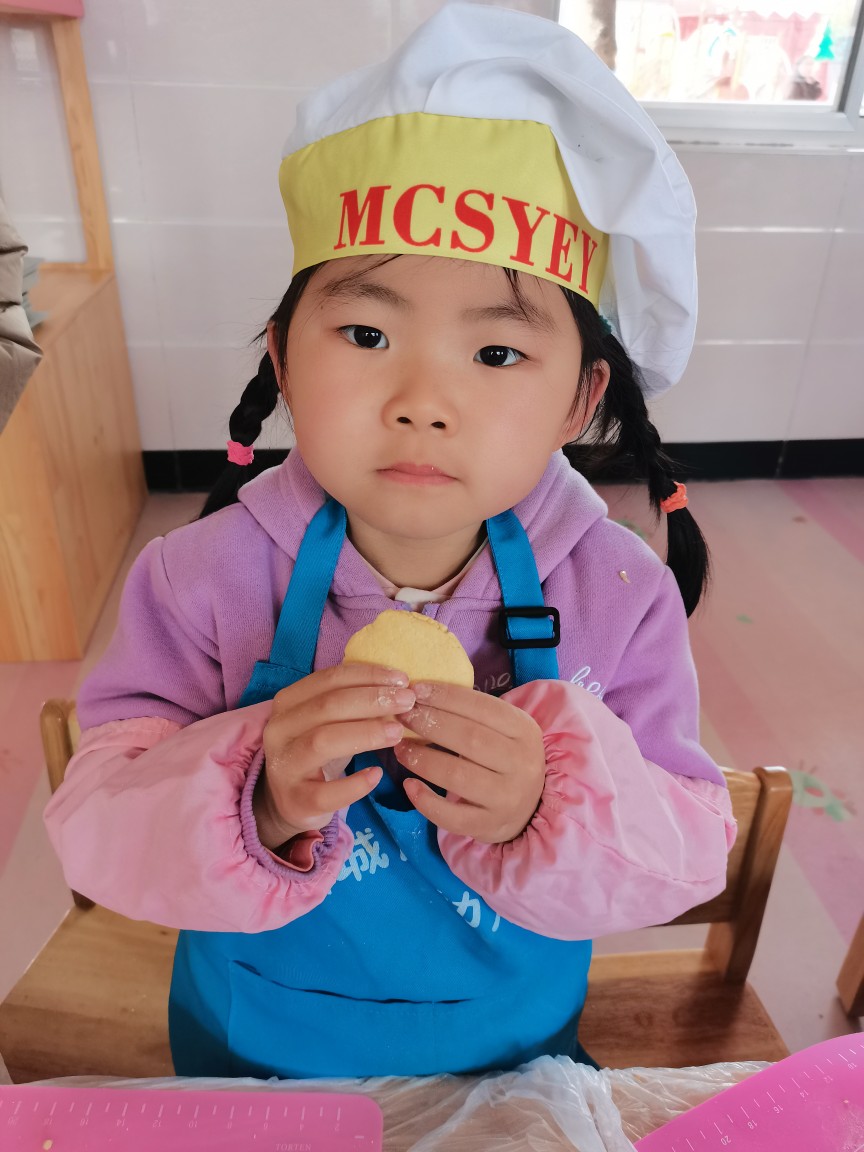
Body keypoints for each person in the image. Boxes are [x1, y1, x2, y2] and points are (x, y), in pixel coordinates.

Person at [44, 4, 736, 1080]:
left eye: (497, 354)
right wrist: (256, 795)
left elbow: (686, 849)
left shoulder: (619, 592)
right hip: (253, 1052)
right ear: (284, 359)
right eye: (367, 333)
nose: (422, 400)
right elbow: (96, 829)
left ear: (580, 398)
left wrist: (551, 804)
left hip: (509, 1058)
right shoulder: (197, 581)